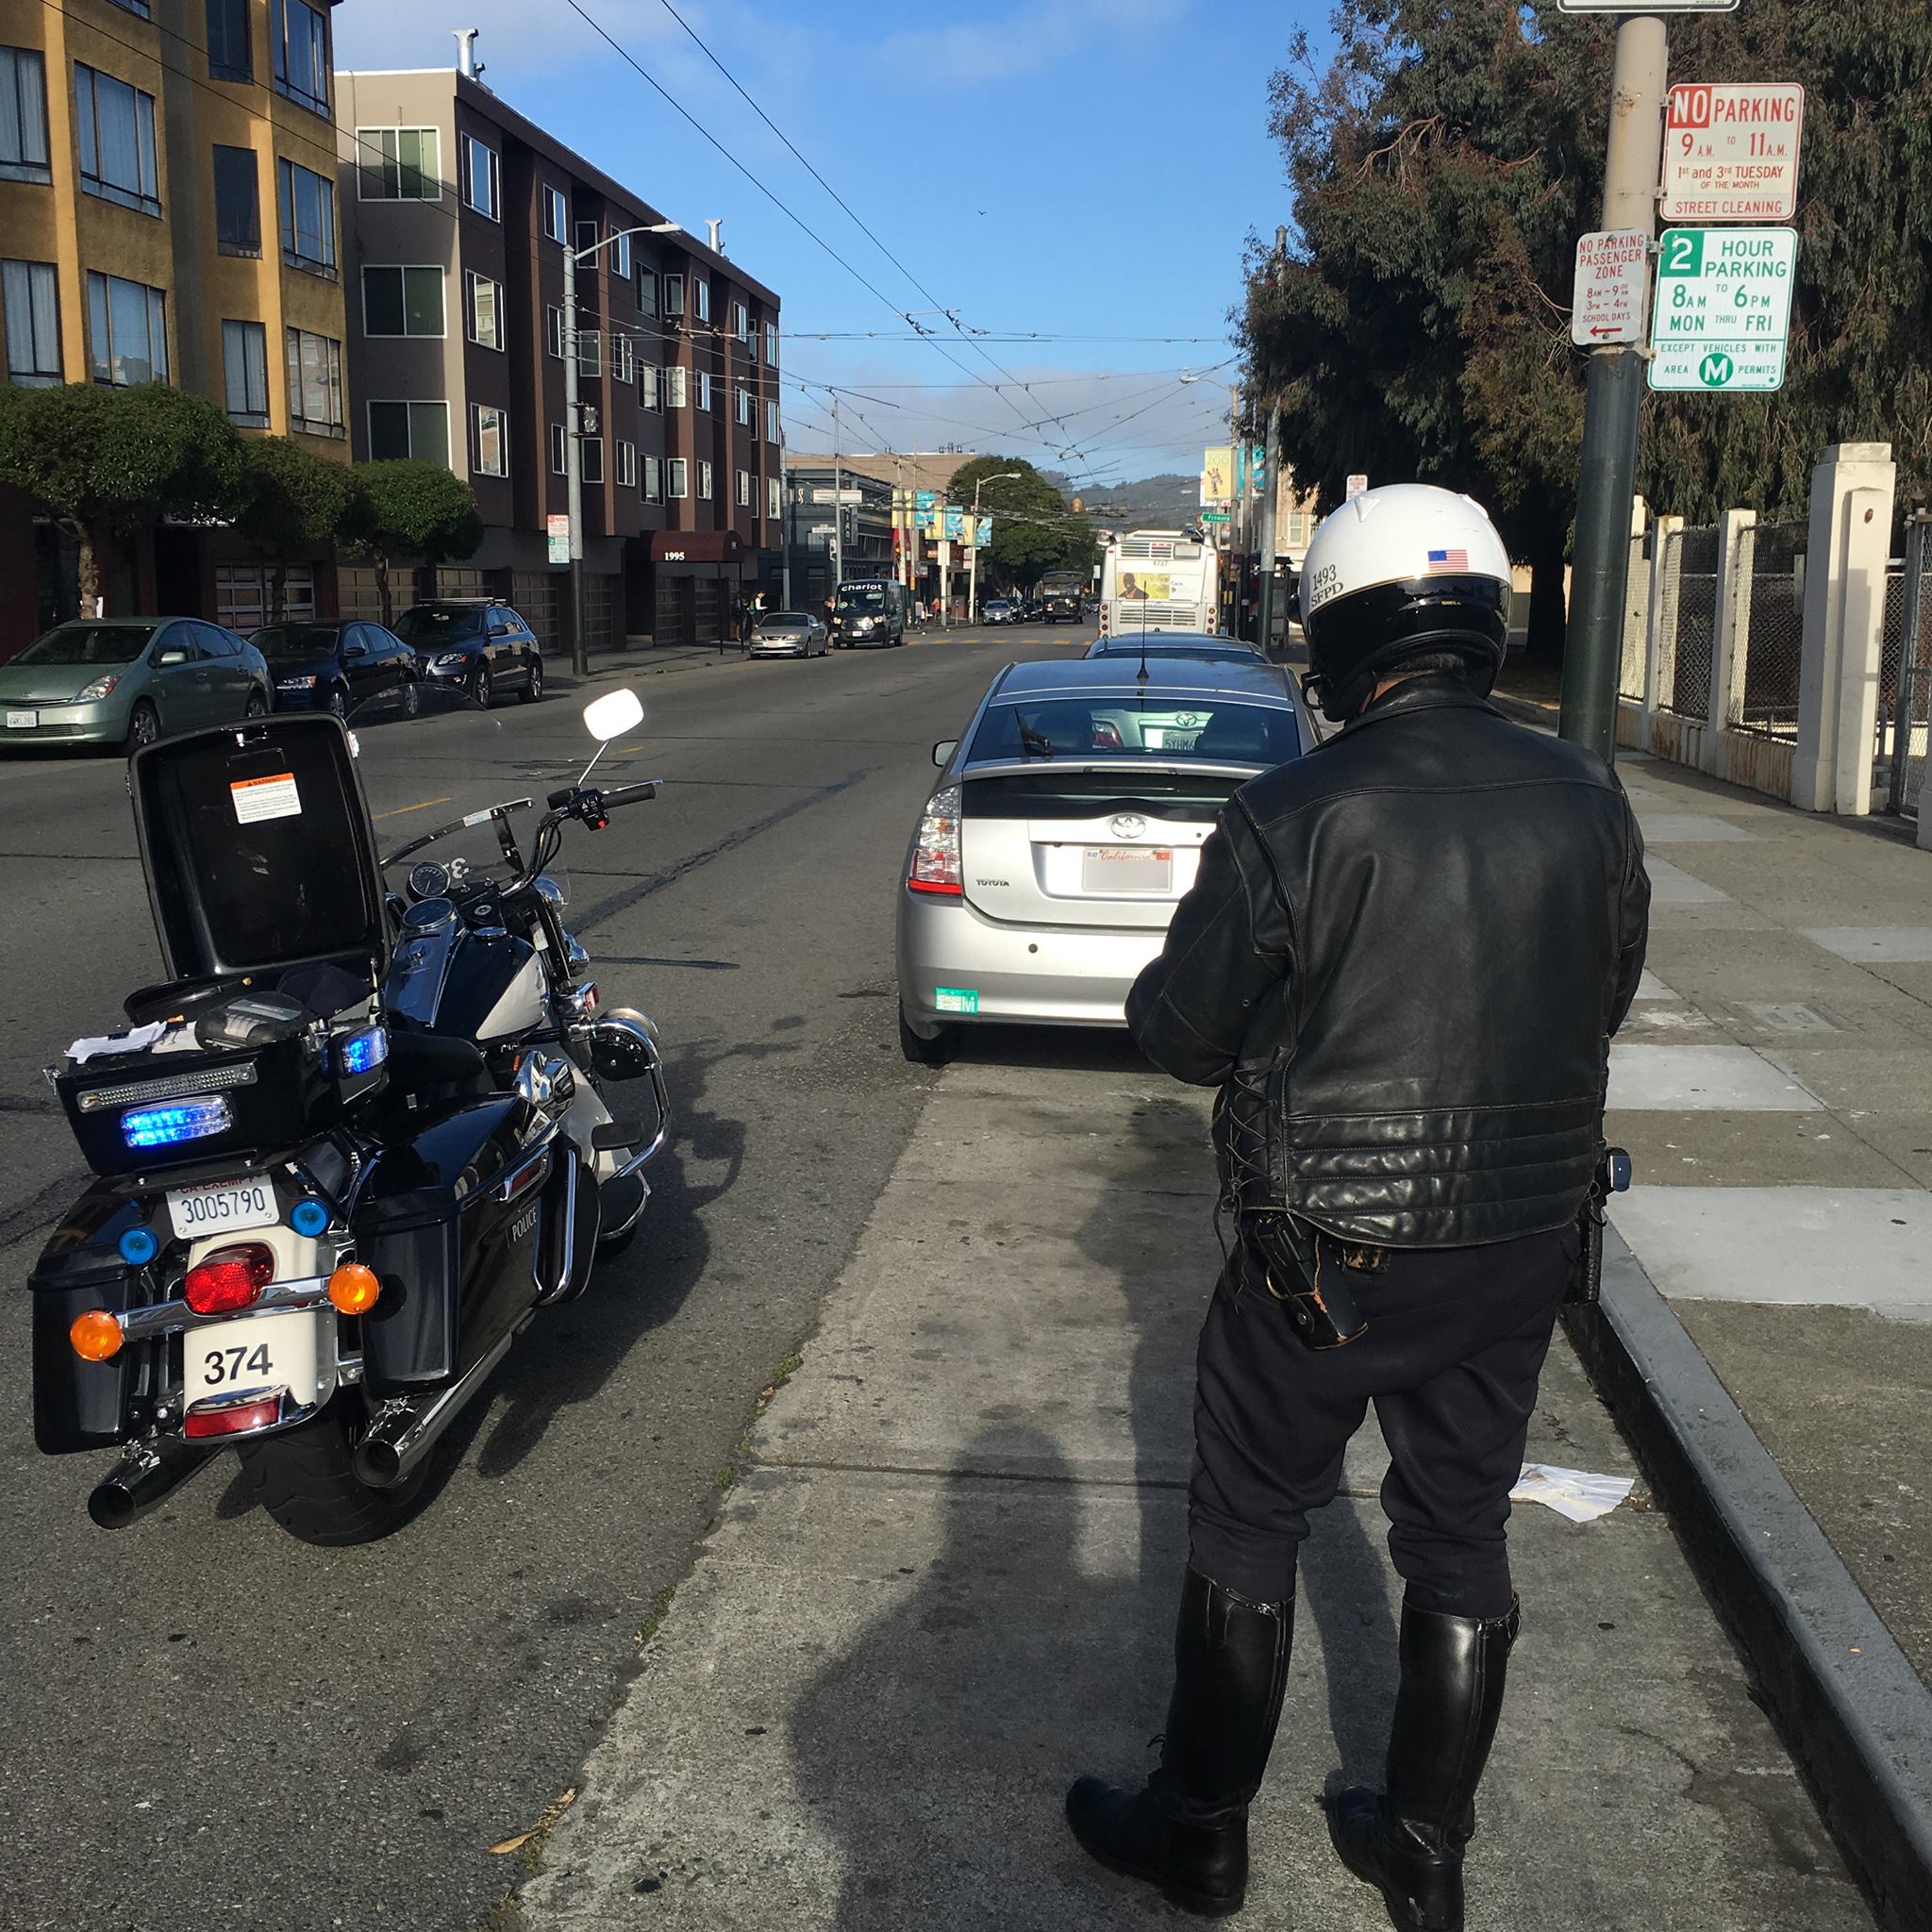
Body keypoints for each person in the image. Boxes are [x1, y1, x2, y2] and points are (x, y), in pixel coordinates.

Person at [1065, 485, 1650, 1928]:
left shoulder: (1291, 813)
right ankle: (1425, 1848)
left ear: (1338, 631)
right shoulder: (1588, 795)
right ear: (1477, 625)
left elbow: (1188, 1034)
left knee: (1254, 1516)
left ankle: (1201, 1834)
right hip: (1521, 1242)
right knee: (1461, 1529)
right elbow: (1606, 996)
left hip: (1326, 1254)